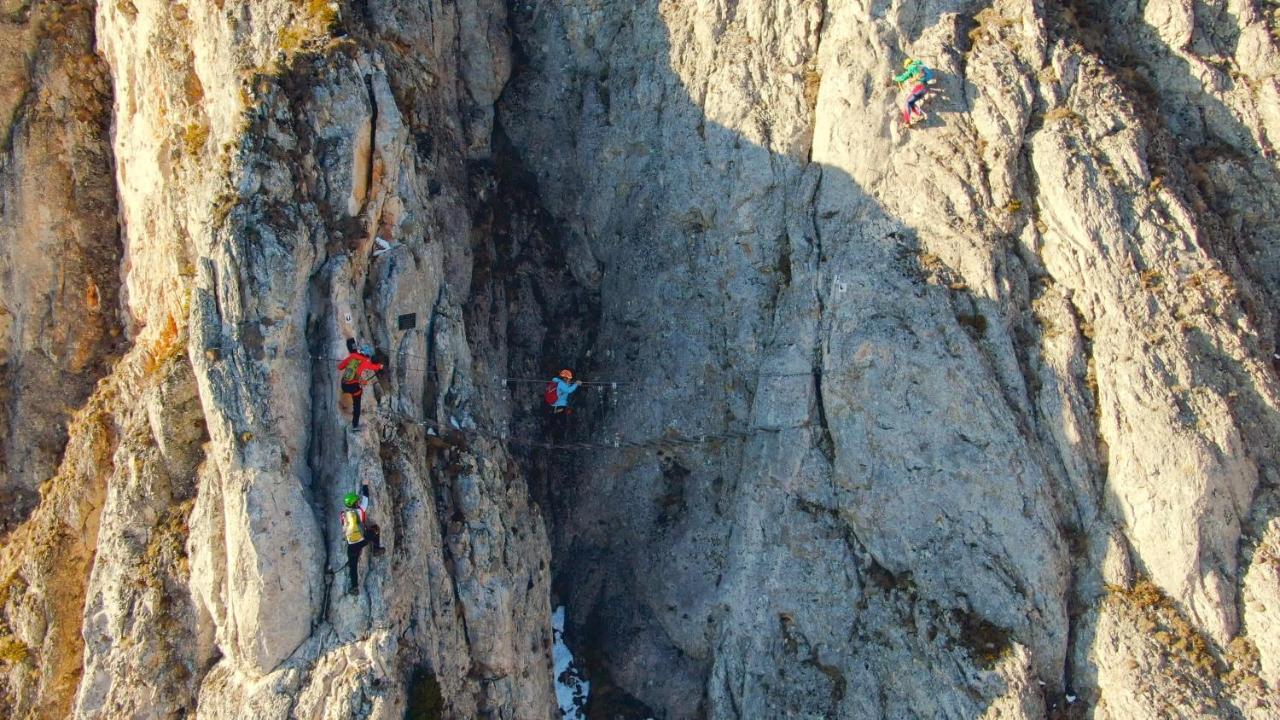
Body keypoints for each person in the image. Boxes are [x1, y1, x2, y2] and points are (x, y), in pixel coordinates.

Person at [341, 484, 383, 595]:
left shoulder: (343, 515)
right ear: (355, 503)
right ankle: (376, 549)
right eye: (357, 501)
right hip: (362, 540)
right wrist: (365, 485)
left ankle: (354, 587)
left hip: (351, 545)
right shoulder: (359, 510)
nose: (358, 502)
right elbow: (366, 498)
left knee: (353, 566)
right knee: (375, 529)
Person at [337, 341, 383, 429]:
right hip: (352, 387)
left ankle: (345, 402)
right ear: (367, 355)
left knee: (355, 387)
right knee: (357, 403)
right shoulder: (365, 361)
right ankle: (355, 425)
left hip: (344, 384)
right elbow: (372, 367)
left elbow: (340, 367)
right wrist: (380, 366)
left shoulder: (352, 356)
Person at [893, 58, 933, 126]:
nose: (907, 68)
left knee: (907, 102)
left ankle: (907, 121)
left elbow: (903, 77)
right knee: (911, 102)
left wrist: (895, 78)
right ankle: (919, 114)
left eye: (906, 67)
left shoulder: (912, 67)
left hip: (919, 88)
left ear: (907, 65)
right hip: (924, 89)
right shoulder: (920, 66)